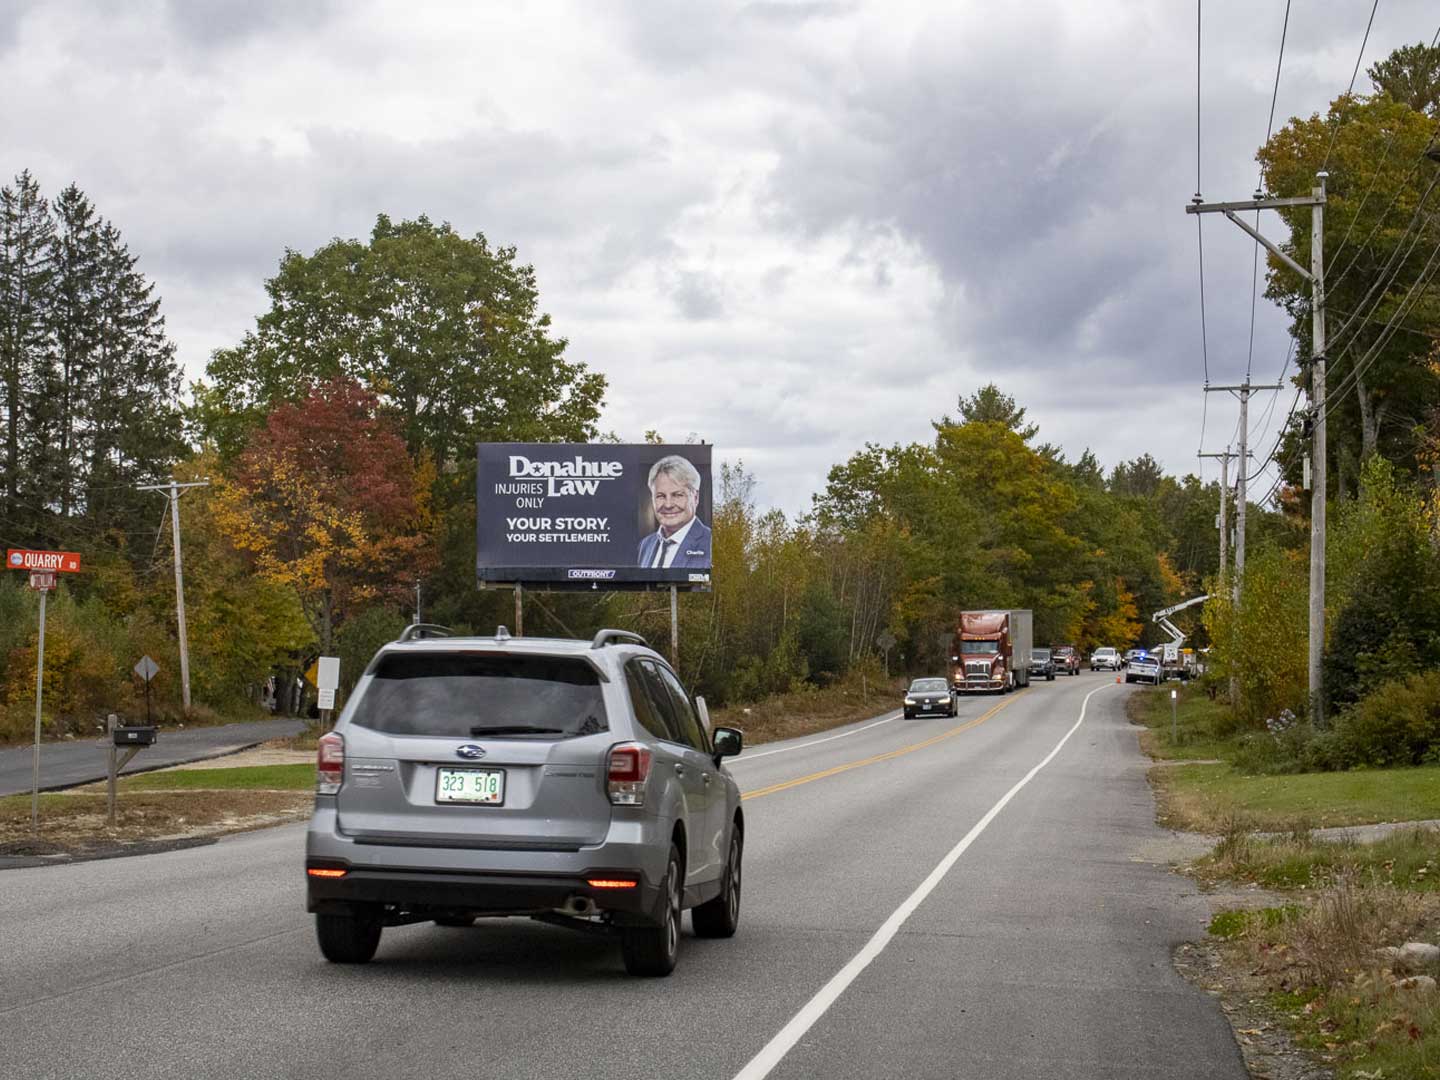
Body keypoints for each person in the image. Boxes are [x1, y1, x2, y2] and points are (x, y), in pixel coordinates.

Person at [637, 454, 712, 569]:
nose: (668, 505)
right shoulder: (646, 544)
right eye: (660, 496)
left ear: (695, 497)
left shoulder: (710, 542)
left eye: (677, 495)